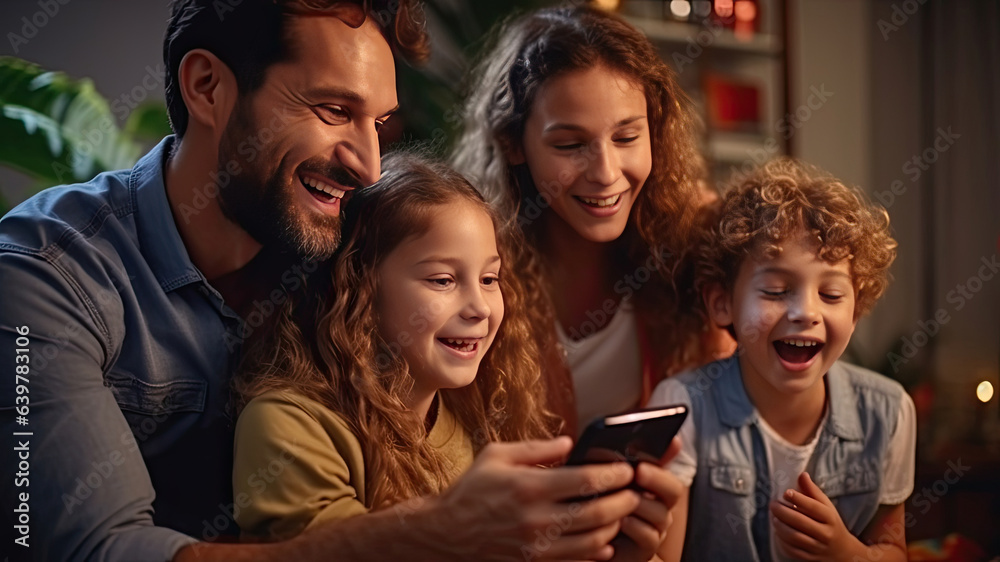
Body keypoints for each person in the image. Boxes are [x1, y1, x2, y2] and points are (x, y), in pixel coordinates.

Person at [0, 2, 677, 561]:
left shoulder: (353, 248)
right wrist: (439, 533)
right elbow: (88, 551)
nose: (369, 163)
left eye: (379, 123)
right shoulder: (44, 278)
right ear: (206, 86)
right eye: (331, 111)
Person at [230, 151, 556, 539]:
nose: (480, 308)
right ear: (357, 291)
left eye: (489, 279)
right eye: (442, 280)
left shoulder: (471, 413)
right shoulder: (289, 424)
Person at [451, 5, 733, 437]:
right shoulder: (472, 263)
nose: (605, 173)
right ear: (512, 143)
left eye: (626, 137)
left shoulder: (692, 239)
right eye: (569, 144)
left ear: (655, 132)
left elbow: (734, 409)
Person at [648, 158, 915, 561]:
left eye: (831, 295)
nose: (806, 312)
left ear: (856, 310)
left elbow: (893, 550)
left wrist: (846, 553)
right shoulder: (684, 406)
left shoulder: (888, 411)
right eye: (775, 290)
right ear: (722, 304)